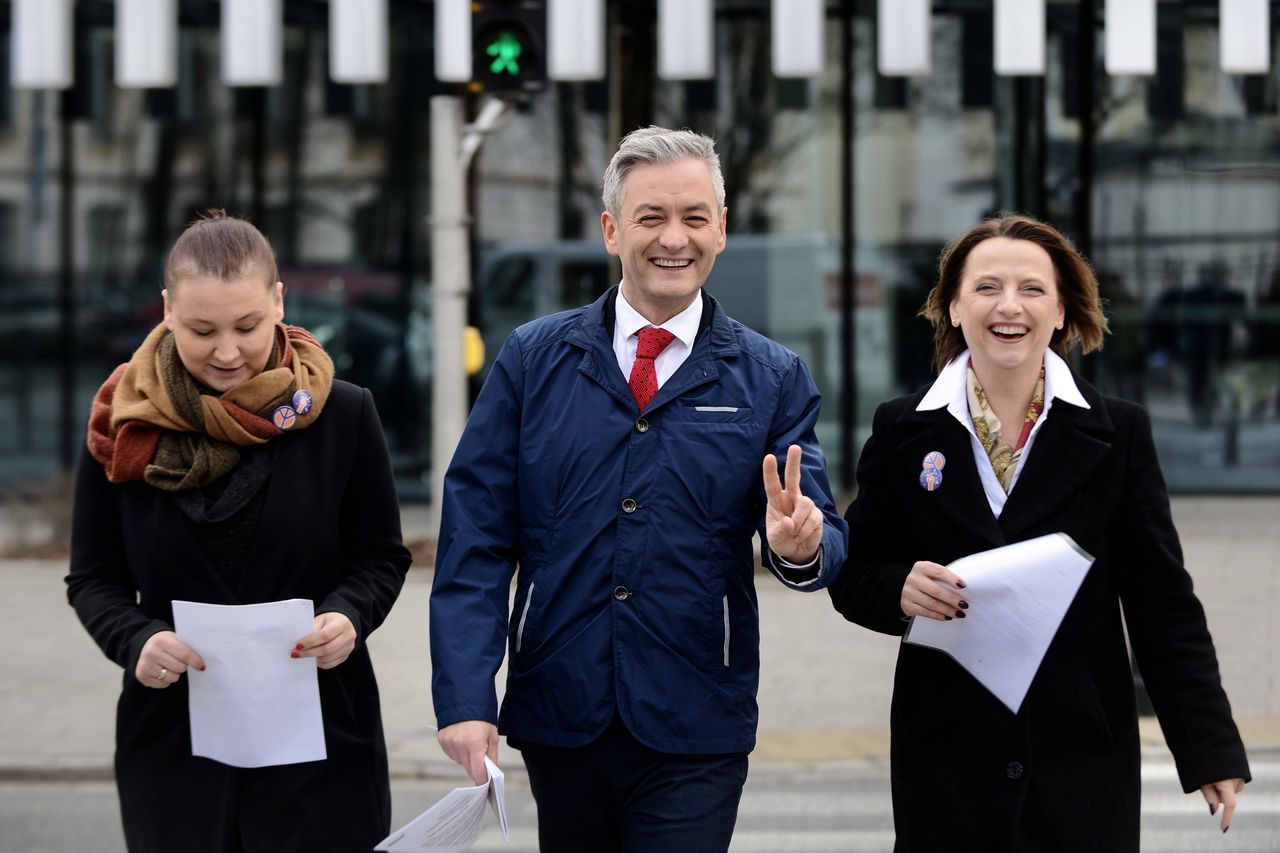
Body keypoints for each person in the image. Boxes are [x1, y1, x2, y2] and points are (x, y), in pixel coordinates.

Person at [430, 126, 848, 852]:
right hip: (562, 710)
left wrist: (799, 547)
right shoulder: (533, 360)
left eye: (694, 217)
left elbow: (820, 535)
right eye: (651, 217)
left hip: (698, 716)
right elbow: (476, 539)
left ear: (721, 230)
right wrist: (466, 697)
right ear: (612, 230)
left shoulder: (771, 377)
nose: (673, 238)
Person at [828, 214, 1250, 851]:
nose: (1009, 306)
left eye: (1032, 289)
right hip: (945, 757)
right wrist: (899, 591)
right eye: (987, 287)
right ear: (953, 307)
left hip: (1081, 757)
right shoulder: (901, 429)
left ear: (1061, 311)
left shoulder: (1119, 433)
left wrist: (1209, 746)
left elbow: (1163, 604)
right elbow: (854, 572)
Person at [65, 211, 412, 852]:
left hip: (321, 749)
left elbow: (380, 559)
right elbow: (93, 579)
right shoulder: (121, 424)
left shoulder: (343, 414)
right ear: (167, 310)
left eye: (247, 327)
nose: (227, 353)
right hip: (175, 756)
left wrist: (348, 616)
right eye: (202, 331)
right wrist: (136, 640)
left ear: (279, 301)